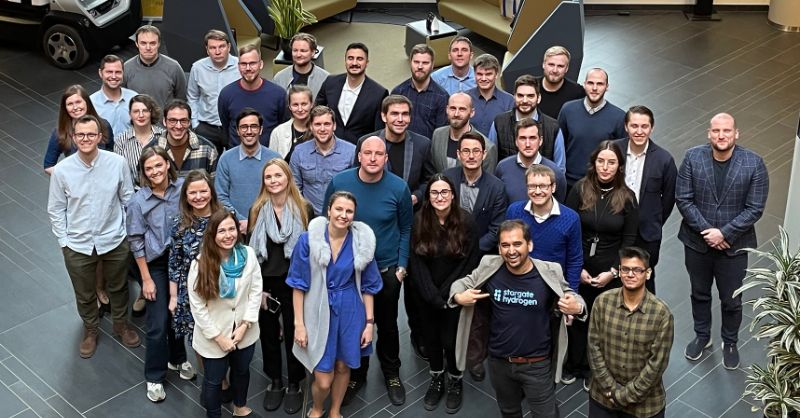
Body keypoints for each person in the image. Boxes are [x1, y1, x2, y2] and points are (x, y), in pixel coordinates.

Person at [450, 220, 586, 418]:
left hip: (537, 364)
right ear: (499, 248)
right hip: (499, 362)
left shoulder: (549, 270)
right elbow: (462, 283)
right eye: (505, 245)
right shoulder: (489, 265)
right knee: (509, 411)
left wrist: (577, 307)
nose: (511, 251)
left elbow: (572, 295)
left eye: (517, 244)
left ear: (529, 245)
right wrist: (458, 297)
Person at [324, 137, 413, 406]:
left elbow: (406, 228)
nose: (373, 158)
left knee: (387, 325)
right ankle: (357, 374)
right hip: (349, 271)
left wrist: (401, 267)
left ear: (386, 158)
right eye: (368, 153)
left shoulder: (399, 187)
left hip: (386, 269)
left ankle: (391, 372)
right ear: (359, 156)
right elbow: (327, 221)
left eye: (379, 154)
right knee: (354, 325)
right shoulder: (340, 183)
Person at [676, 112, 768, 370]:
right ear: (709, 133)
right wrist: (709, 232)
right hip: (697, 243)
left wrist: (725, 233)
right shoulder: (692, 157)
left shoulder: (754, 163)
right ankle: (702, 336)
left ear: (736, 133)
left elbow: (755, 208)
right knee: (699, 293)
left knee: (732, 300)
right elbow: (683, 199)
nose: (721, 135)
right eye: (716, 130)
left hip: (734, 248)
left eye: (727, 130)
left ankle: (730, 342)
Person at [47, 114, 139, 358]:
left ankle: (121, 324)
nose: (85, 139)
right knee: (84, 292)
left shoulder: (117, 163)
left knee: (119, 287)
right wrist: (64, 241)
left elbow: (128, 199)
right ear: (73, 137)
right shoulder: (62, 171)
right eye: (80, 135)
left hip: (114, 239)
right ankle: (90, 329)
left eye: (90, 134)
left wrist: (127, 233)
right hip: (77, 244)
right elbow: (56, 208)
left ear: (100, 137)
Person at [287, 191, 383, 418]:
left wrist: (369, 323)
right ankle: (317, 407)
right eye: (339, 209)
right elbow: (298, 285)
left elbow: (368, 286)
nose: (343, 215)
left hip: (350, 308)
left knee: (342, 366)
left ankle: (335, 411)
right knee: (323, 378)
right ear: (328, 210)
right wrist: (299, 324)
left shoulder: (361, 242)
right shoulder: (308, 240)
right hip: (318, 307)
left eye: (349, 211)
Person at [563, 140, 638, 390]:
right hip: (579, 265)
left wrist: (613, 272)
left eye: (611, 162)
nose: (605, 167)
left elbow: (629, 240)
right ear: (594, 164)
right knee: (577, 316)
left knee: (602, 322)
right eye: (601, 161)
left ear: (619, 166)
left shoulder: (628, 198)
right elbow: (568, 229)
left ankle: (594, 369)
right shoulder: (579, 189)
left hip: (610, 270)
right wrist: (578, 269)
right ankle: (574, 363)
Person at [126, 146, 194, 402]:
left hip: (183, 260)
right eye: (149, 168)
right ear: (143, 173)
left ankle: (177, 358)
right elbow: (135, 242)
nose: (155, 171)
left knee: (178, 313)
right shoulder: (138, 202)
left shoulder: (183, 189)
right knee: (157, 323)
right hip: (154, 264)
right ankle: (154, 376)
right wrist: (145, 279)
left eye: (158, 165)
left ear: (167, 164)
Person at [409, 174, 481, 413]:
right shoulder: (419, 221)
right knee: (431, 339)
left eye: (444, 192)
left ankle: (455, 380)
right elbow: (416, 263)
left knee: (451, 341)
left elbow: (469, 262)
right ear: (428, 197)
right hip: (426, 294)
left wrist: (448, 294)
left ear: (452, 195)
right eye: (434, 193)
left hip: (455, 294)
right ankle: (437, 377)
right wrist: (432, 295)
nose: (440, 197)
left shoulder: (467, 221)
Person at [247, 158, 313, 413]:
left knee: (296, 332)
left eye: (278, 175)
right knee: (268, 333)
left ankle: (295, 382)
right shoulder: (257, 210)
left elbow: (310, 250)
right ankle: (275, 380)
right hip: (266, 283)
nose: (273, 181)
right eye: (268, 177)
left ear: (288, 178)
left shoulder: (304, 208)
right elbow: (252, 252)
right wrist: (258, 288)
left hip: (295, 283)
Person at [442, 131, 506, 382]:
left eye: (476, 151)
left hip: (481, 259)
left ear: (484, 154)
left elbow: (497, 228)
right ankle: (448, 354)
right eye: (466, 151)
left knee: (478, 312)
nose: (471, 156)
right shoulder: (446, 179)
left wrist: (471, 251)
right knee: (449, 305)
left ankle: (475, 358)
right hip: (447, 256)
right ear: (458, 154)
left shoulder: (496, 187)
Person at [188, 209, 262, 418]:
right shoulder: (200, 264)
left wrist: (245, 325)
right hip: (214, 335)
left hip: (244, 331)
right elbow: (198, 307)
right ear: (212, 235)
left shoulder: (248, 254)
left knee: (242, 371)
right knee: (213, 381)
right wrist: (219, 338)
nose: (228, 235)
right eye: (222, 231)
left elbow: (256, 291)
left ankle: (240, 408)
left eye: (232, 229)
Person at [588, 246, 674, 418]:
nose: (630, 274)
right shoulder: (602, 302)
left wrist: (623, 396)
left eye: (637, 270)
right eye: (625, 269)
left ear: (647, 273)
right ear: (620, 272)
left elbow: (656, 365)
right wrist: (611, 389)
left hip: (644, 406)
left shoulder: (661, 314)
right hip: (603, 398)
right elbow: (593, 348)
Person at [613, 105, 677, 293]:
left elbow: (669, 198)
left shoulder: (664, 159)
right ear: (626, 127)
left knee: (644, 281)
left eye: (644, 126)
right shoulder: (613, 150)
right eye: (634, 126)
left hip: (646, 234)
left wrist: (653, 220)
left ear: (652, 128)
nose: (639, 131)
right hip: (614, 227)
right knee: (614, 277)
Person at [505, 164, 582, 291]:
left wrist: (572, 293)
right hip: (518, 285)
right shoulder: (514, 211)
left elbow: (574, 260)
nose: (537, 191)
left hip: (553, 288)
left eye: (543, 186)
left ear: (553, 187)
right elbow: (505, 249)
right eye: (532, 186)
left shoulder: (571, 218)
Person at [168, 170, 222, 349]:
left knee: (223, 334)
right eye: (192, 192)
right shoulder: (179, 224)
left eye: (203, 191)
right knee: (199, 338)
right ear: (185, 196)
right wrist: (174, 297)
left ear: (211, 192)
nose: (198, 197)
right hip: (191, 290)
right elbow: (174, 262)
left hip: (223, 287)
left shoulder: (224, 217)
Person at [356, 94, 435, 207]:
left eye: (405, 114)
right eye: (394, 114)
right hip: (372, 206)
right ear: (384, 116)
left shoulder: (422, 145)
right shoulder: (365, 142)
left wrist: (416, 196)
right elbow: (356, 177)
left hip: (410, 211)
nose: (400, 119)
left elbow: (430, 180)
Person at [215, 108, 281, 234]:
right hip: (235, 227)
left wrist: (256, 221)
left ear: (261, 130)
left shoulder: (274, 159)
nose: (249, 131)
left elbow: (281, 195)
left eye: (254, 126)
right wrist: (240, 220)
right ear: (237, 131)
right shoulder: (226, 159)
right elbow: (220, 196)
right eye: (244, 127)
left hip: (268, 227)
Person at [559, 68, 626, 189]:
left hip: (601, 185)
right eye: (590, 83)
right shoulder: (567, 110)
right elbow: (558, 146)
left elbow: (622, 156)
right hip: (569, 182)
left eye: (600, 84)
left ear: (607, 87)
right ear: (584, 84)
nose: (594, 88)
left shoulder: (619, 117)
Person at [316, 42, 389, 144]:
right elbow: (316, 112)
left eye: (360, 59)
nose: (354, 63)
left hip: (358, 148)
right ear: (345, 61)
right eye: (350, 58)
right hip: (328, 145)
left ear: (367, 62)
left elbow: (378, 131)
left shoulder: (379, 93)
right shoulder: (330, 82)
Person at [489, 75, 565, 170]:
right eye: (520, 95)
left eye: (530, 96)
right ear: (514, 97)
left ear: (538, 98)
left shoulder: (553, 127)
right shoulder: (499, 123)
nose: (525, 100)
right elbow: (491, 162)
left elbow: (560, 168)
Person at [289, 106, 356, 214]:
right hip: (309, 216)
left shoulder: (351, 152)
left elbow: (355, 188)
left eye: (327, 124)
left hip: (341, 216)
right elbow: (294, 189)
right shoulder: (299, 152)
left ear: (334, 126)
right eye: (317, 124)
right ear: (311, 127)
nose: (322, 129)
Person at [218, 44, 288, 147]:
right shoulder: (226, 94)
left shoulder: (278, 94)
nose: (248, 68)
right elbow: (226, 126)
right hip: (237, 154)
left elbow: (283, 128)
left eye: (252, 63)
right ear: (238, 66)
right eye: (243, 64)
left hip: (269, 154)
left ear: (261, 64)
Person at [187, 29, 241, 156]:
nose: (217, 51)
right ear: (207, 50)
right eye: (212, 48)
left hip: (234, 126)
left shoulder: (241, 66)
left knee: (234, 161)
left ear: (229, 47)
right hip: (206, 128)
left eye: (221, 46)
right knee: (206, 164)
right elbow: (192, 96)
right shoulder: (197, 68)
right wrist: (195, 124)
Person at [44, 84, 114, 175]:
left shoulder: (104, 125)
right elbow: (48, 166)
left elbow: (111, 153)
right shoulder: (60, 132)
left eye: (78, 102)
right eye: (70, 104)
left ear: (87, 102)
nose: (75, 107)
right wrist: (69, 176)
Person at [494, 118, 566, 204]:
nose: (527, 144)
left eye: (532, 138)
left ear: (540, 141)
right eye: (523, 138)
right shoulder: (503, 168)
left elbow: (559, 205)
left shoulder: (554, 172)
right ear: (516, 141)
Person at [390, 44, 448, 139]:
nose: (420, 66)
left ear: (432, 65)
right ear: (410, 63)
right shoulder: (398, 92)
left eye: (425, 63)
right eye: (416, 62)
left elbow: (440, 134)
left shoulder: (442, 97)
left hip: (427, 147)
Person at [148, 99, 218, 177]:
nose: (178, 126)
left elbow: (214, 182)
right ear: (164, 121)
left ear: (189, 122)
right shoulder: (151, 149)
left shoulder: (207, 149)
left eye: (183, 121)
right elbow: (144, 182)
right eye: (173, 120)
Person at [430, 92, 497, 174]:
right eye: (453, 108)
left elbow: (487, 180)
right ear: (447, 109)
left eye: (462, 109)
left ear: (472, 112)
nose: (456, 114)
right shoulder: (437, 135)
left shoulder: (487, 147)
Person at [123, 25, 187, 109]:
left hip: (165, 117)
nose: (148, 48)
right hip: (136, 117)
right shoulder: (126, 68)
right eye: (143, 43)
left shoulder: (174, 67)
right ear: (136, 44)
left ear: (159, 44)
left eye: (152, 43)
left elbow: (181, 100)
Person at [114, 94, 165, 187]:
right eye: (136, 111)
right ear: (130, 114)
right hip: (135, 192)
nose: (141, 115)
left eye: (145, 111)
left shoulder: (164, 135)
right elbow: (122, 176)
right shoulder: (121, 141)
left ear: (151, 113)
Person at [465, 53, 514, 136]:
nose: (483, 78)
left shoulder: (509, 101)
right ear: (474, 74)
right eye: (479, 74)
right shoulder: (464, 98)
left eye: (488, 74)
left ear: (496, 75)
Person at [272, 32, 330, 100]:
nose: (298, 55)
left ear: (313, 52)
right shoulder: (279, 78)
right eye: (295, 50)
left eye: (303, 51)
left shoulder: (326, 79)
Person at [90, 54, 137, 134]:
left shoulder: (134, 98)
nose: (114, 76)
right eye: (109, 72)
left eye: (118, 72)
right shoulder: (91, 103)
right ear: (100, 73)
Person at [536, 46, 585, 119]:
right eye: (551, 65)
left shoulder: (577, 92)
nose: (555, 70)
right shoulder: (529, 86)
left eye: (560, 66)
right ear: (543, 64)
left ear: (567, 69)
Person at [269, 85, 313, 160]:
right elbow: (272, 162)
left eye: (304, 104)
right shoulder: (278, 132)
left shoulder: (321, 129)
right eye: (295, 105)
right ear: (289, 106)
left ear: (311, 104)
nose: (300, 109)